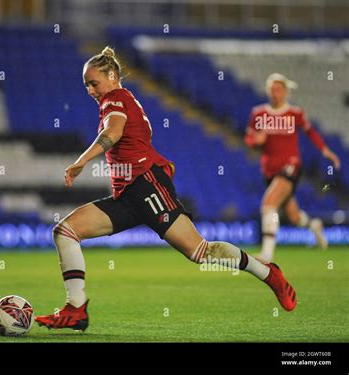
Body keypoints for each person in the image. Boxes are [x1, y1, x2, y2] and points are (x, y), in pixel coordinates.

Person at [35, 48, 298, 332]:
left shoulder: (116, 98)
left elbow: (112, 133)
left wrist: (80, 162)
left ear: (112, 76)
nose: (89, 89)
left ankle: (268, 273)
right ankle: (76, 309)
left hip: (148, 187)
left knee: (201, 252)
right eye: (85, 84)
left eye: (93, 82)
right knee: (65, 231)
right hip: (128, 196)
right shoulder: (117, 99)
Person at [245, 73, 341, 263]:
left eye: (279, 89)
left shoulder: (295, 113)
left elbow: (311, 132)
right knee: (293, 216)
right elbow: (248, 138)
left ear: (286, 92)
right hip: (269, 171)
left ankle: (266, 254)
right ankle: (314, 225)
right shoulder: (258, 113)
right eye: (272, 89)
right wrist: (255, 141)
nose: (275, 93)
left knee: (268, 204)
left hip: (291, 166)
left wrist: (325, 151)